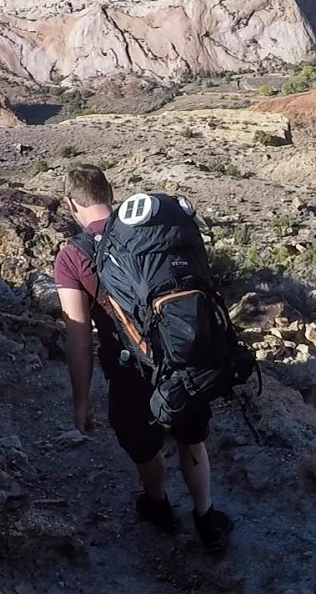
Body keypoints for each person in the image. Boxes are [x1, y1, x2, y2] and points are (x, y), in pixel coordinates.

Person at [54, 164, 234, 553]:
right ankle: (206, 519)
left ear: (71, 204)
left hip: (129, 369)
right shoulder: (153, 236)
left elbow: (78, 336)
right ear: (111, 193)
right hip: (183, 354)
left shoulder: (72, 257)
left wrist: (81, 400)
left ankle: (158, 506)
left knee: (144, 445)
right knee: (191, 439)